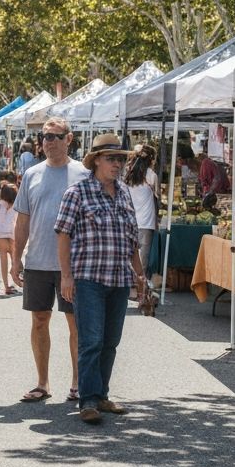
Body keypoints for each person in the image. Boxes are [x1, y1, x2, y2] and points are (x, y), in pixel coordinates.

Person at [55, 133, 145, 424]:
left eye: (120, 159)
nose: (117, 164)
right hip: (89, 278)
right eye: (111, 159)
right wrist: (66, 276)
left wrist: (141, 276)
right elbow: (63, 235)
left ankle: (102, 394)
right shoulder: (77, 193)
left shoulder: (124, 193)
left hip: (119, 278)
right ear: (96, 161)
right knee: (91, 340)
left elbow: (132, 240)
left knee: (110, 341)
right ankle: (89, 399)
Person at [11, 116, 88, 403]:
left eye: (55, 136)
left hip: (73, 264)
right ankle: (42, 383)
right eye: (44, 137)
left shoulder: (83, 173)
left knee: (75, 323)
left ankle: (78, 383)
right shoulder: (32, 174)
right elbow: (23, 220)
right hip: (38, 261)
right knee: (39, 320)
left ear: (69, 139)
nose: (48, 142)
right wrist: (16, 259)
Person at [125, 144, 159, 282]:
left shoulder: (128, 174)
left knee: (128, 256)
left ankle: (129, 286)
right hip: (146, 222)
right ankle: (140, 287)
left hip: (129, 221)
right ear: (151, 160)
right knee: (142, 259)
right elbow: (158, 197)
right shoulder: (152, 176)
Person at [0, 184, 19, 294]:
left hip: (1, 235)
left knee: (3, 262)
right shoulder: (16, 205)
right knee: (14, 261)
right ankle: (16, 280)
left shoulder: (0, 204)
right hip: (12, 234)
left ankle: (6, 286)